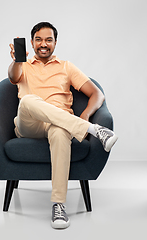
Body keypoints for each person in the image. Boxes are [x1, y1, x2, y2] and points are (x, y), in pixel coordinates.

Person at [8, 22, 118, 229]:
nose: (43, 44)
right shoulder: (22, 65)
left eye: (49, 40)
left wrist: (85, 115)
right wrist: (16, 61)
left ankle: (59, 205)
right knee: (28, 101)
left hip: (59, 124)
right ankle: (93, 131)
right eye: (39, 39)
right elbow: (13, 77)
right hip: (29, 124)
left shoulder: (67, 66)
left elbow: (97, 94)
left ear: (55, 43)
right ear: (31, 43)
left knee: (60, 131)